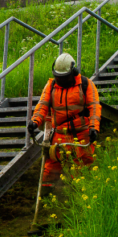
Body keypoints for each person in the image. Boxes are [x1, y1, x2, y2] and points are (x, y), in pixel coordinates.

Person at [27, 54, 101, 190]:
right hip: (59, 133)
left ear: (73, 72)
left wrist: (94, 128)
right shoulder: (51, 86)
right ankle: (46, 197)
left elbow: (94, 107)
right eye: (58, 77)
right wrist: (35, 121)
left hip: (81, 134)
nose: (60, 80)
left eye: (64, 77)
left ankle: (79, 196)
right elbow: (42, 105)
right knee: (51, 167)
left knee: (82, 166)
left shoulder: (85, 84)